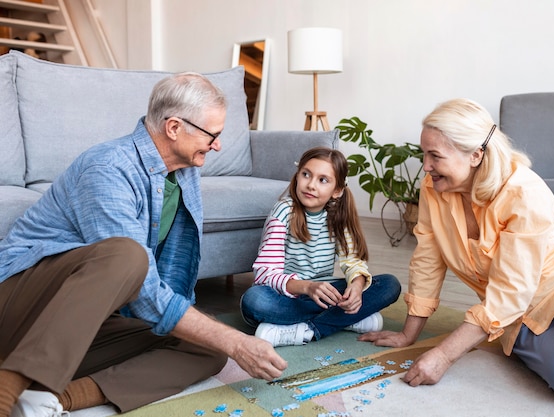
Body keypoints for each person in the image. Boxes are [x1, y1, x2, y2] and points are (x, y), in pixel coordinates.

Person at [0, 72, 287, 417]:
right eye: (213, 134)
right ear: (174, 128)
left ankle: (50, 399)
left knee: (207, 349)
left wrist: (220, 339)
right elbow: (143, 287)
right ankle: (7, 389)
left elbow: (162, 283)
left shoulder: (183, 171)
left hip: (78, 324)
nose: (217, 145)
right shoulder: (108, 167)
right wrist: (237, 340)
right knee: (127, 255)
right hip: (19, 307)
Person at [360, 98, 554, 408]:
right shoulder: (432, 188)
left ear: (475, 155)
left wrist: (445, 354)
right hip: (522, 311)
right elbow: (427, 261)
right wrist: (408, 335)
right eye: (424, 154)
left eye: (435, 156)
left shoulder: (523, 191)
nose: (426, 166)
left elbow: (510, 290)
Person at [240, 147, 401, 347]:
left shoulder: (337, 218)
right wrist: (307, 287)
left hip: (324, 293)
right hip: (287, 295)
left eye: (323, 180)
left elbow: (353, 262)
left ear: (337, 191)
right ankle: (345, 320)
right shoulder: (283, 212)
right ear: (297, 176)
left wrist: (356, 289)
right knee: (255, 300)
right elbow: (264, 274)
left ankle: (306, 330)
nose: (311, 185)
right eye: (306, 175)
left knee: (389, 285)